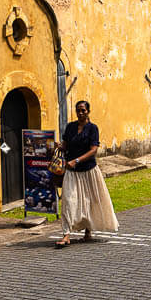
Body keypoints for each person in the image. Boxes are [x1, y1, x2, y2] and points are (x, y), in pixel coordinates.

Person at [56, 100, 119, 247]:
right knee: (68, 201)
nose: (80, 113)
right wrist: (60, 146)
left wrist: (77, 160)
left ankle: (88, 232)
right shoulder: (71, 127)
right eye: (78, 110)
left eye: (83, 110)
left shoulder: (92, 129)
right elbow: (66, 145)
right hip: (71, 171)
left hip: (89, 170)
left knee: (90, 201)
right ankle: (66, 235)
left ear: (88, 112)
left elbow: (93, 150)